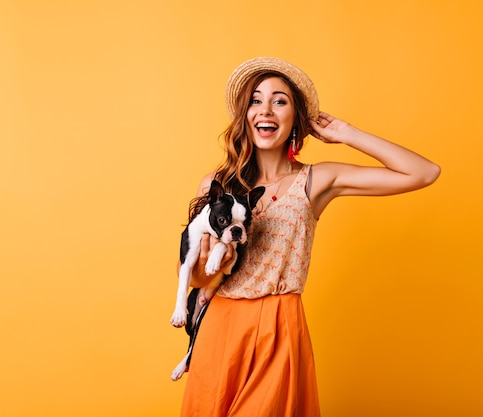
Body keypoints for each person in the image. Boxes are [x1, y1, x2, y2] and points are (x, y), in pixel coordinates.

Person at [178, 57, 440, 416]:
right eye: (255, 100)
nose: (265, 109)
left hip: (279, 327)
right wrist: (214, 265)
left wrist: (346, 133)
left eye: (279, 100)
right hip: (219, 328)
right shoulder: (217, 187)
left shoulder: (317, 181)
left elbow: (424, 172)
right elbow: (194, 276)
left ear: (295, 117)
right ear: (244, 114)